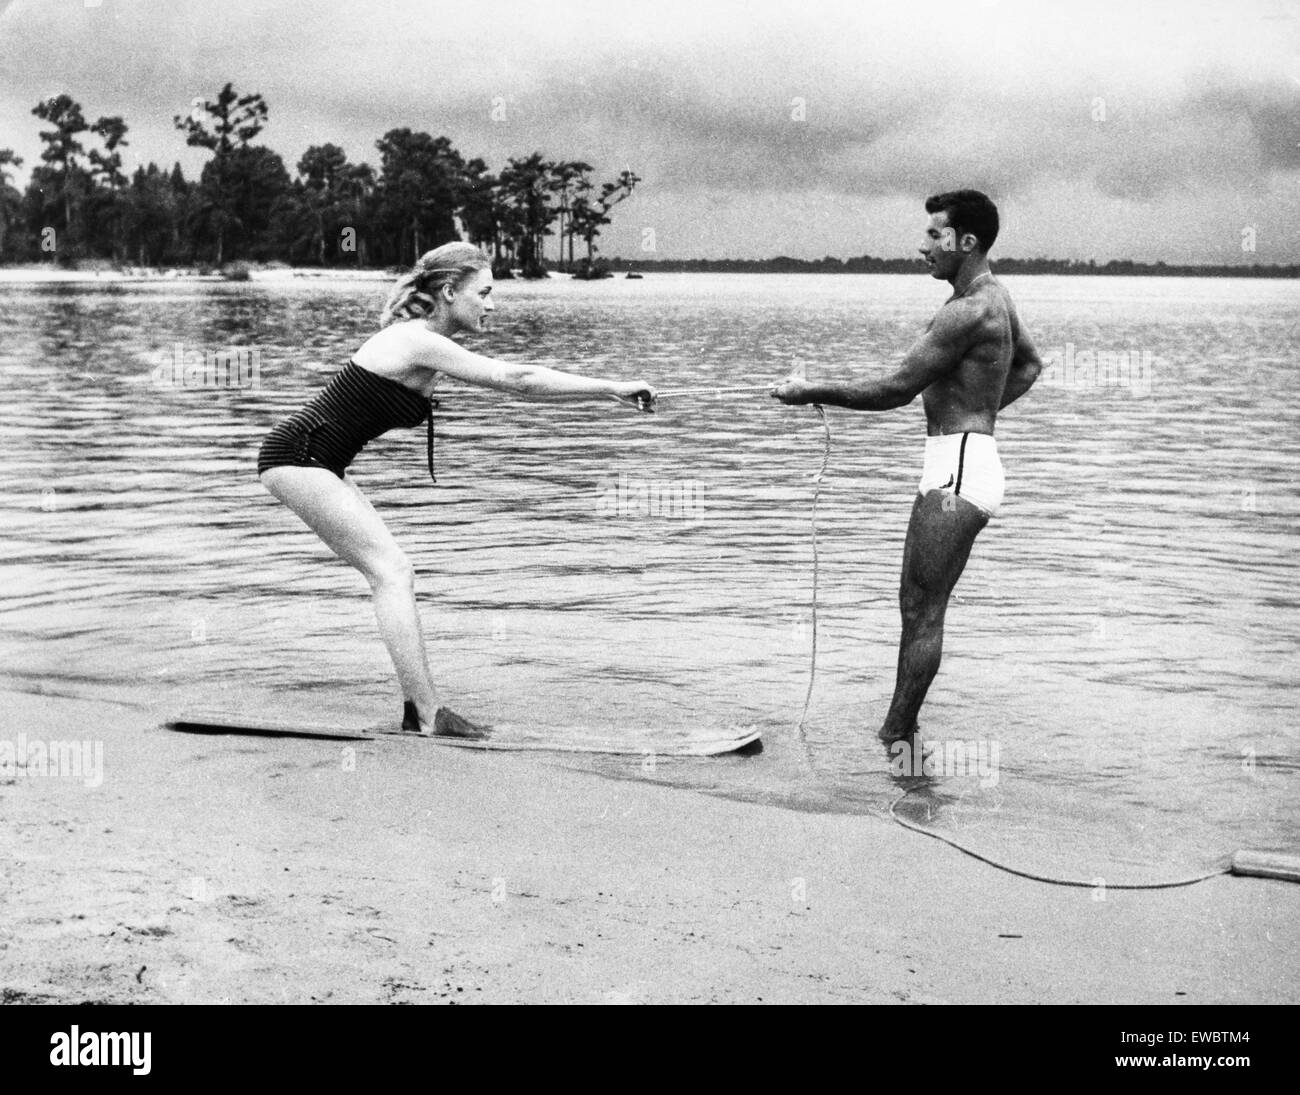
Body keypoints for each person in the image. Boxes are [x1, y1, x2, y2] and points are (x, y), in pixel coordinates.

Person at [257, 242, 656, 737]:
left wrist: (605, 392)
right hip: (300, 456)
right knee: (393, 572)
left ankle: (418, 711)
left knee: (393, 572)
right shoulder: (416, 340)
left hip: (317, 458)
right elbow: (519, 379)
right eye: (484, 293)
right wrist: (611, 387)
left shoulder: (424, 344)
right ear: (449, 291)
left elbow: (516, 382)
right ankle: (427, 715)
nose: (492, 305)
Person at [770, 190, 1042, 743]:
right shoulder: (996, 296)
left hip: (958, 471)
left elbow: (895, 389)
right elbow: (1031, 364)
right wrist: (979, 414)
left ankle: (895, 735)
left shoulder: (969, 310)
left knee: (922, 610)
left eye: (935, 235)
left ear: (967, 242)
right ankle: (901, 739)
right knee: (917, 606)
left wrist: (809, 391)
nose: (923, 247)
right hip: (965, 461)